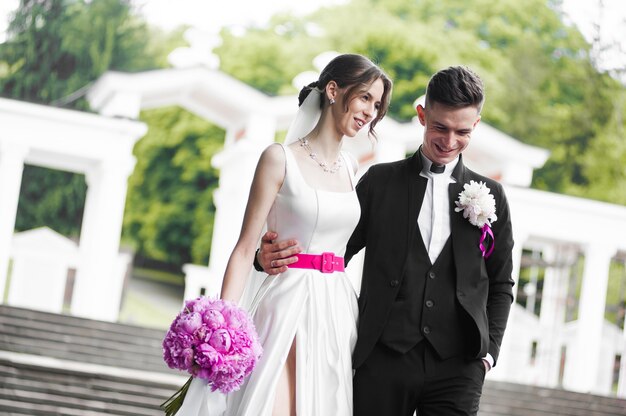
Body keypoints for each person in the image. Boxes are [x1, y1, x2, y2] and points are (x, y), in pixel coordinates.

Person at [256, 66, 515, 416]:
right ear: (422, 115)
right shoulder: (379, 181)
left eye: (462, 132)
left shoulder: (492, 196)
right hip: (383, 359)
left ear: (476, 125)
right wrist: (265, 257)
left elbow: (501, 282)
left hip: (458, 367)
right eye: (440, 127)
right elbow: (331, 247)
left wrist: (487, 355)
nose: (449, 141)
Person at [174, 53, 392, 416]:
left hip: (338, 309)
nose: (371, 111)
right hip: (287, 302)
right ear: (334, 90)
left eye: (378, 104)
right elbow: (245, 249)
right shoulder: (278, 159)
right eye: (366, 98)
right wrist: (221, 326)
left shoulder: (353, 168)